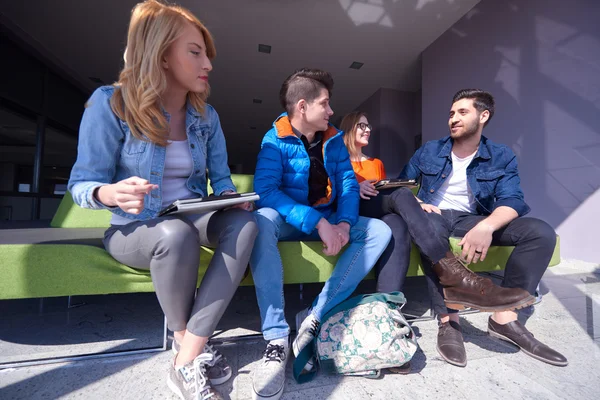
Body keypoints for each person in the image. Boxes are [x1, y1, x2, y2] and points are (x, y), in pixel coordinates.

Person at [68, 2, 258, 398]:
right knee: (174, 235)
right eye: (195, 52)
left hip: (190, 214)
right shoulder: (110, 103)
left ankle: (187, 355)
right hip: (132, 229)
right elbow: (82, 184)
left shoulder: (207, 117)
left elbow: (220, 180)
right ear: (162, 54)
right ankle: (189, 345)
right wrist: (110, 193)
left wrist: (229, 197)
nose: (207, 63)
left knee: (244, 225)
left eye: (207, 53)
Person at [249, 69, 392, 400]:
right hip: (291, 219)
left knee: (379, 230)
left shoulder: (334, 140)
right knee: (260, 221)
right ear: (302, 106)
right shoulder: (274, 139)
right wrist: (317, 222)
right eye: (325, 104)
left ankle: (314, 315)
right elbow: (266, 191)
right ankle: (275, 338)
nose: (330, 112)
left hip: (328, 217)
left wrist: (343, 222)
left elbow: (346, 185)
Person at [398, 89, 567, 367]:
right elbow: (401, 184)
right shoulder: (430, 149)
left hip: (472, 218)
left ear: (483, 115)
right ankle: (448, 321)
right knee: (431, 226)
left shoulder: (501, 156)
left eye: (462, 112)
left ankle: (505, 317)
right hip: (434, 214)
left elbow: (513, 200)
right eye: (451, 113)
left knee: (540, 232)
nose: (453, 118)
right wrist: (417, 202)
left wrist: (486, 226)